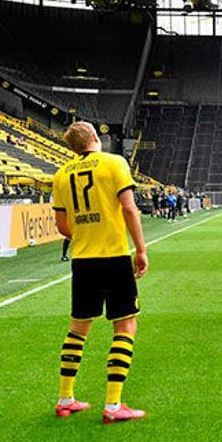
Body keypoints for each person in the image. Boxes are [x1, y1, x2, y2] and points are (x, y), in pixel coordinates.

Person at [50, 121, 148, 423]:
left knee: (78, 329)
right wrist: (141, 249)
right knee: (125, 326)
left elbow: (61, 226)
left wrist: (84, 234)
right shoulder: (114, 162)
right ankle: (114, 405)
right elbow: (129, 208)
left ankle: (65, 398)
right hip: (114, 256)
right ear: (95, 138)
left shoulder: (61, 174)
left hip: (82, 259)